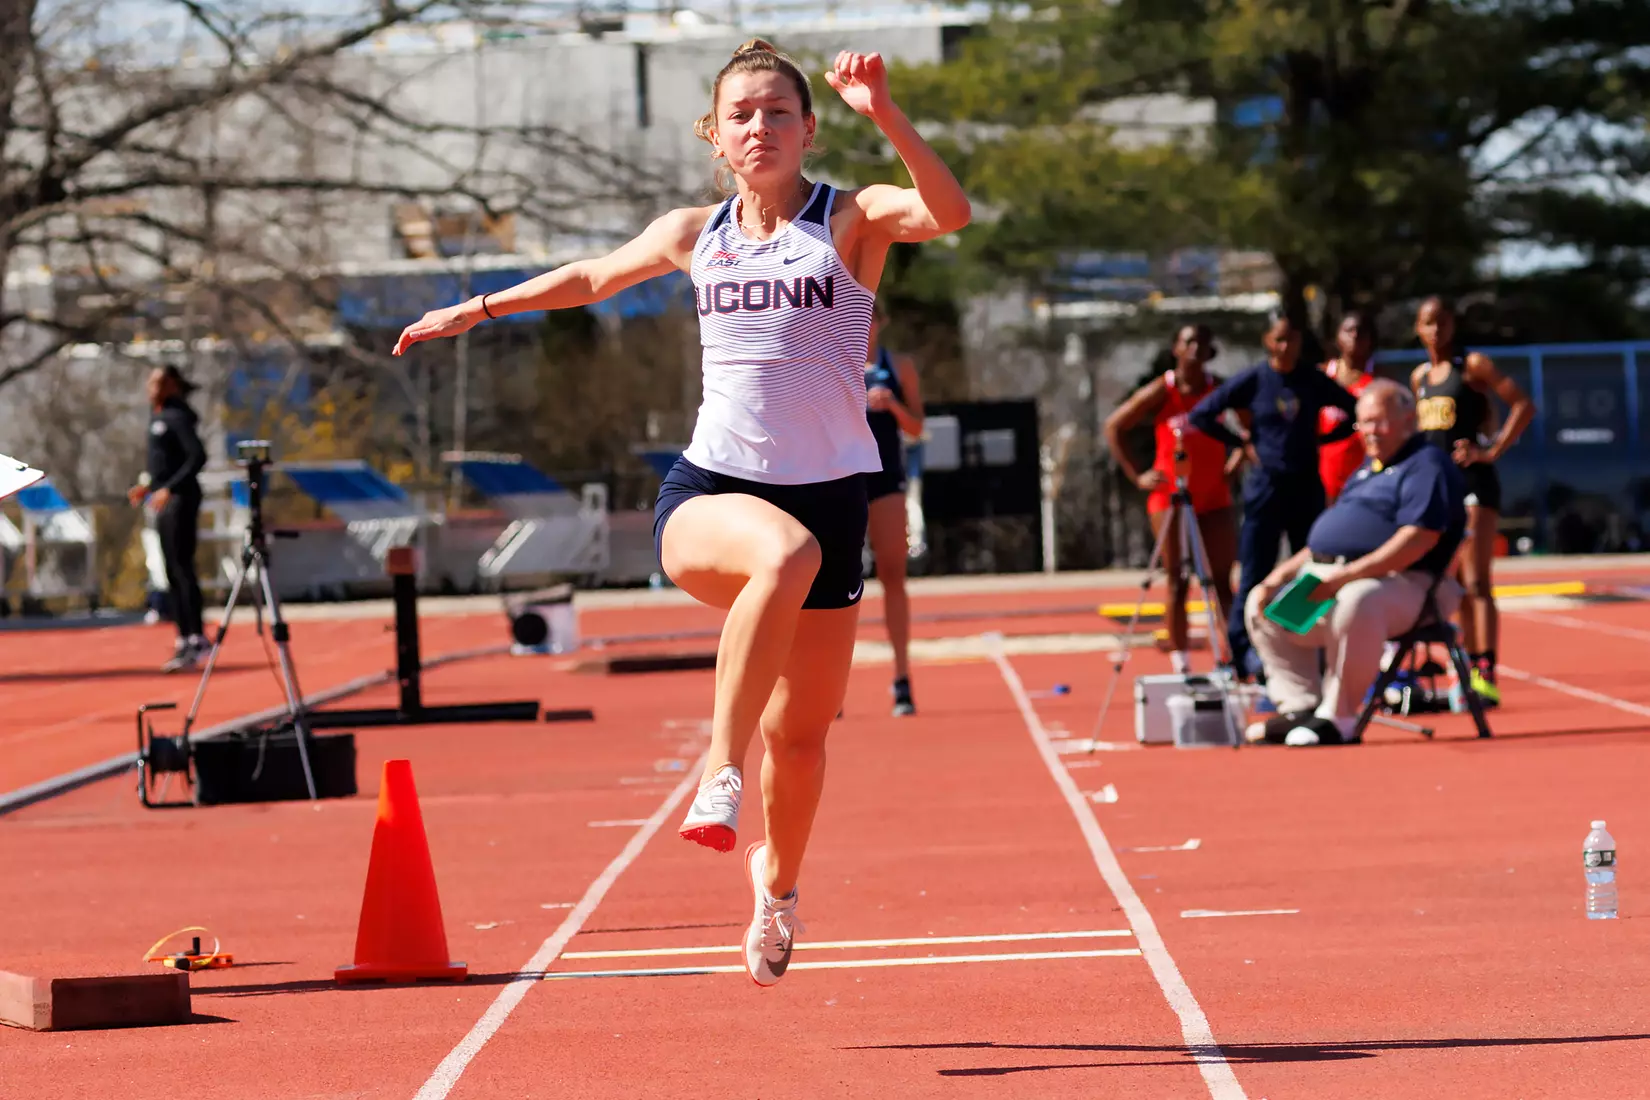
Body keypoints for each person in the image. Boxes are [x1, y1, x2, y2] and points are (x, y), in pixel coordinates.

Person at [390, 41, 969, 988]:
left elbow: (949, 211)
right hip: (711, 492)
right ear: (716, 135)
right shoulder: (694, 232)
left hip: (830, 494)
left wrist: (888, 115)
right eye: (741, 113)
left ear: (808, 127)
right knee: (780, 557)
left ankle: (777, 888)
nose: (761, 127)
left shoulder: (851, 219)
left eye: (779, 111)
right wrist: (479, 308)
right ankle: (717, 774)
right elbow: (587, 279)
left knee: (808, 740)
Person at [1242, 378, 1467, 746]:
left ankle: (1339, 717)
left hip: (1411, 586)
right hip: (1333, 576)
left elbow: (1417, 540)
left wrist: (1344, 577)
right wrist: (1277, 577)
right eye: (1363, 423)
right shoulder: (1367, 469)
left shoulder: (1426, 465)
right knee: (1262, 603)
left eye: (1379, 421)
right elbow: (1322, 542)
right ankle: (1300, 708)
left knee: (1358, 598)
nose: (1370, 432)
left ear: (1408, 420)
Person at [1187, 312, 1359, 682]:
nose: (1285, 347)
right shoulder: (1253, 380)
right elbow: (1202, 414)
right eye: (1278, 340)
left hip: (1305, 487)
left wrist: (1325, 441)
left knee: (1312, 569)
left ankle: (1309, 648)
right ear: (1268, 342)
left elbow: (1354, 410)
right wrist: (1242, 442)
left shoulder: (1312, 380)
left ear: (1299, 342)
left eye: (1291, 340)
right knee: (1254, 572)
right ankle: (1243, 655)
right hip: (1266, 488)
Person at [1410, 296, 1532, 705]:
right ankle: (1464, 665)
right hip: (1439, 488)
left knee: (1477, 579)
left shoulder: (1472, 365)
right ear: (1417, 328)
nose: (1435, 330)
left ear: (1452, 326)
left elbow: (1522, 404)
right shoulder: (1420, 377)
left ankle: (1486, 673)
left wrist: (1492, 449)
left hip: (1475, 482)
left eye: (1441, 322)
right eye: (1427, 323)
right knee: (1455, 584)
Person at [1103, 324, 1237, 674]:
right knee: (1177, 578)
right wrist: (1138, 475)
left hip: (1212, 495)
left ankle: (1233, 654)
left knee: (1221, 579)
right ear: (1176, 348)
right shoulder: (1164, 389)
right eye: (1188, 341)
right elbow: (1115, 426)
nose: (1195, 348)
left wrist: (1234, 463)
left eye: (1203, 342)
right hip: (1172, 496)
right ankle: (1181, 662)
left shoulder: (1218, 389)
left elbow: (1248, 431)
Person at [862, 300, 924, 715]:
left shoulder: (898, 366)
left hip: (886, 480)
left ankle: (902, 678)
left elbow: (918, 428)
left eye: (869, 316)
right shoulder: (829, 359)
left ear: (880, 321)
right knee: (834, 581)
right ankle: (828, 684)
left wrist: (893, 406)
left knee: (893, 574)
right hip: (841, 479)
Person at [128, 364, 207, 673]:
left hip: (181, 500)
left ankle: (197, 636)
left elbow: (197, 456)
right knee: (171, 569)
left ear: (172, 384)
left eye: (158, 382)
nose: (151, 387)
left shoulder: (176, 417)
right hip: (164, 500)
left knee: (182, 567)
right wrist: (150, 485)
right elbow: (165, 463)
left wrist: (170, 489)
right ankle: (184, 636)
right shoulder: (157, 418)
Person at [1318, 311, 1377, 503]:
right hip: (1324, 480)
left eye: (1361, 332)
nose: (1355, 336)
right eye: (1349, 330)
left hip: (1364, 480)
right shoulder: (1322, 375)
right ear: (1337, 337)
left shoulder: (1379, 380)